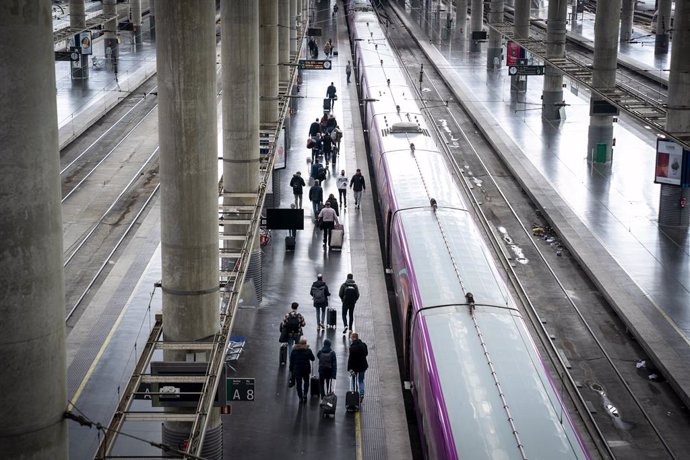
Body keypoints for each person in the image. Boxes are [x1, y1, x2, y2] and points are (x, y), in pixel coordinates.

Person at [290, 336, 315, 402]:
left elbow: (291, 361)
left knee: (298, 383)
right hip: (306, 369)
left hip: (297, 369)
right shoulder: (308, 350)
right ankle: (305, 394)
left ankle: (300, 397)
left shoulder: (294, 350)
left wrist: (291, 369)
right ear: (306, 342)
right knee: (306, 382)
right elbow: (313, 358)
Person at [347, 333, 369, 403]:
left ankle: (355, 394)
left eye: (351, 338)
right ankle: (362, 394)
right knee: (361, 381)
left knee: (353, 380)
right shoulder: (363, 345)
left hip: (354, 367)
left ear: (353, 338)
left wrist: (349, 368)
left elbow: (350, 359)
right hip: (363, 366)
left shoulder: (352, 348)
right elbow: (366, 354)